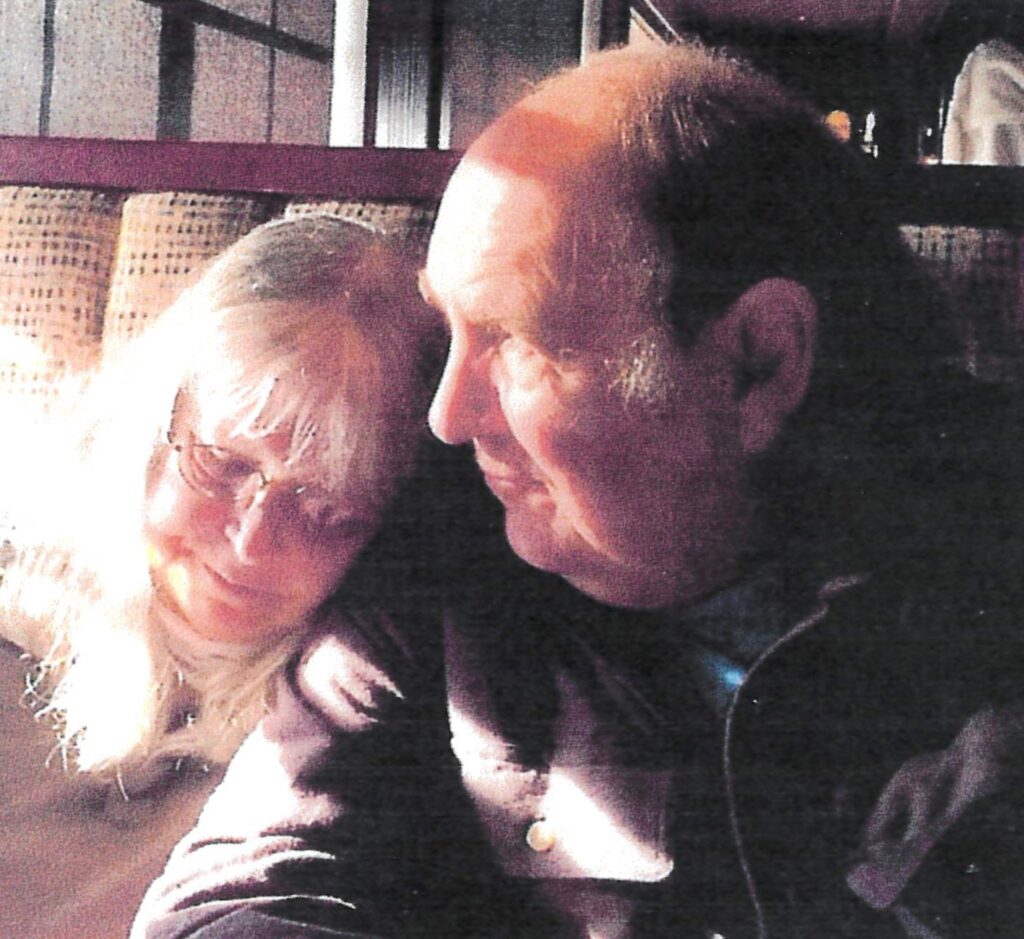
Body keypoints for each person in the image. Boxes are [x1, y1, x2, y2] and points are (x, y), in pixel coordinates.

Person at [133, 42, 1024, 939]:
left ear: (758, 362)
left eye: (516, 342)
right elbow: (235, 897)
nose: (448, 415)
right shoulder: (441, 568)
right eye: (451, 331)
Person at [0, 213, 436, 780]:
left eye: (327, 510)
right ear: (155, 422)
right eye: (223, 466)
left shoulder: (358, 706)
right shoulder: (19, 596)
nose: (252, 542)